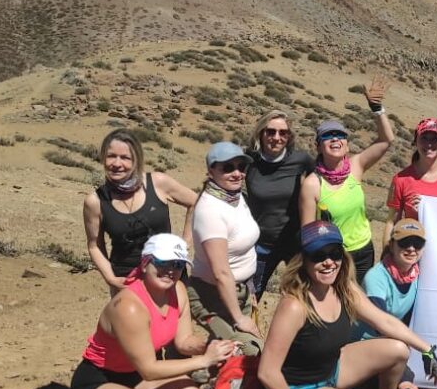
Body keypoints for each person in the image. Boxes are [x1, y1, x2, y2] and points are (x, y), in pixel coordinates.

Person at [257, 221, 437, 389]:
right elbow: (267, 371)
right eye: (318, 255)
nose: (328, 262)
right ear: (303, 260)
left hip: (332, 369)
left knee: (399, 349)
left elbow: (384, 321)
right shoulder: (294, 305)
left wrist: (426, 350)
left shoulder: (344, 289)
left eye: (334, 253)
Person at [70, 234, 237, 389]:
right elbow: (149, 370)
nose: (170, 271)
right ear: (145, 263)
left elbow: (184, 342)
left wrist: (212, 345)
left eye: (177, 265)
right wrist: (205, 360)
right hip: (99, 380)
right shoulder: (129, 306)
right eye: (162, 263)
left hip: (135, 377)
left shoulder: (178, 291)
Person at [300, 77, 395, 282]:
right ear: (318, 146)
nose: (335, 138)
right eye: (327, 136)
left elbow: (387, 140)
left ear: (347, 144)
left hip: (365, 250)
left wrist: (377, 109)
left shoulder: (355, 166)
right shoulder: (313, 184)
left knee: (359, 296)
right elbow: (307, 233)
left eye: (340, 135)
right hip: (335, 254)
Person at [84, 129, 197, 294]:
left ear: (136, 159)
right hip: (127, 280)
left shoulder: (158, 183)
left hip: (169, 274)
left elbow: (195, 203)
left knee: (177, 311)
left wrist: (184, 245)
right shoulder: (95, 201)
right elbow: (95, 245)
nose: (117, 163)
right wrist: (111, 278)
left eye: (125, 157)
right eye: (111, 156)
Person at [188, 142, 263, 354]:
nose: (237, 173)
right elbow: (221, 272)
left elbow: (243, 249)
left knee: (234, 356)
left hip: (239, 292)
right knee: (250, 350)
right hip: (213, 296)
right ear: (211, 171)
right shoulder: (211, 210)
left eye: (241, 167)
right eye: (228, 168)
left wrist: (249, 288)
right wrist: (239, 318)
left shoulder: (236, 197)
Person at [246, 110, 315, 296]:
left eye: (283, 133)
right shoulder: (249, 160)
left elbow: (321, 185)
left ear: (289, 136)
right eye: (271, 132)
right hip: (261, 243)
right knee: (251, 295)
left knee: (303, 294)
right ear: (261, 133)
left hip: (295, 244)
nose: (277, 138)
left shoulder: (301, 160)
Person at [386, 118, 437, 234]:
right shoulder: (401, 180)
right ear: (415, 141)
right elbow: (392, 223)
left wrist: (427, 209)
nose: (429, 144)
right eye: (424, 138)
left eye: (435, 139)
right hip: (414, 244)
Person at [353, 219, 426, 341]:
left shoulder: (419, 275)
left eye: (418, 243)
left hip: (393, 336)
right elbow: (380, 326)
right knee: (401, 348)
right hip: (368, 339)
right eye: (404, 242)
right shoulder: (375, 277)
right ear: (391, 245)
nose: (411, 248)